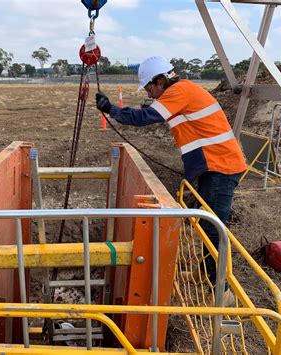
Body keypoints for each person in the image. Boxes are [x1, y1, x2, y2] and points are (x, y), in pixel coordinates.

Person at [95, 56, 246, 305]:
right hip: (214, 166)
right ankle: (204, 273)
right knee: (206, 223)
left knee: (213, 228)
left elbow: (144, 117)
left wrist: (112, 109)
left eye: (150, 88)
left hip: (221, 167)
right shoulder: (181, 91)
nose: (151, 94)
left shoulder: (180, 91)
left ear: (161, 80)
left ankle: (223, 292)